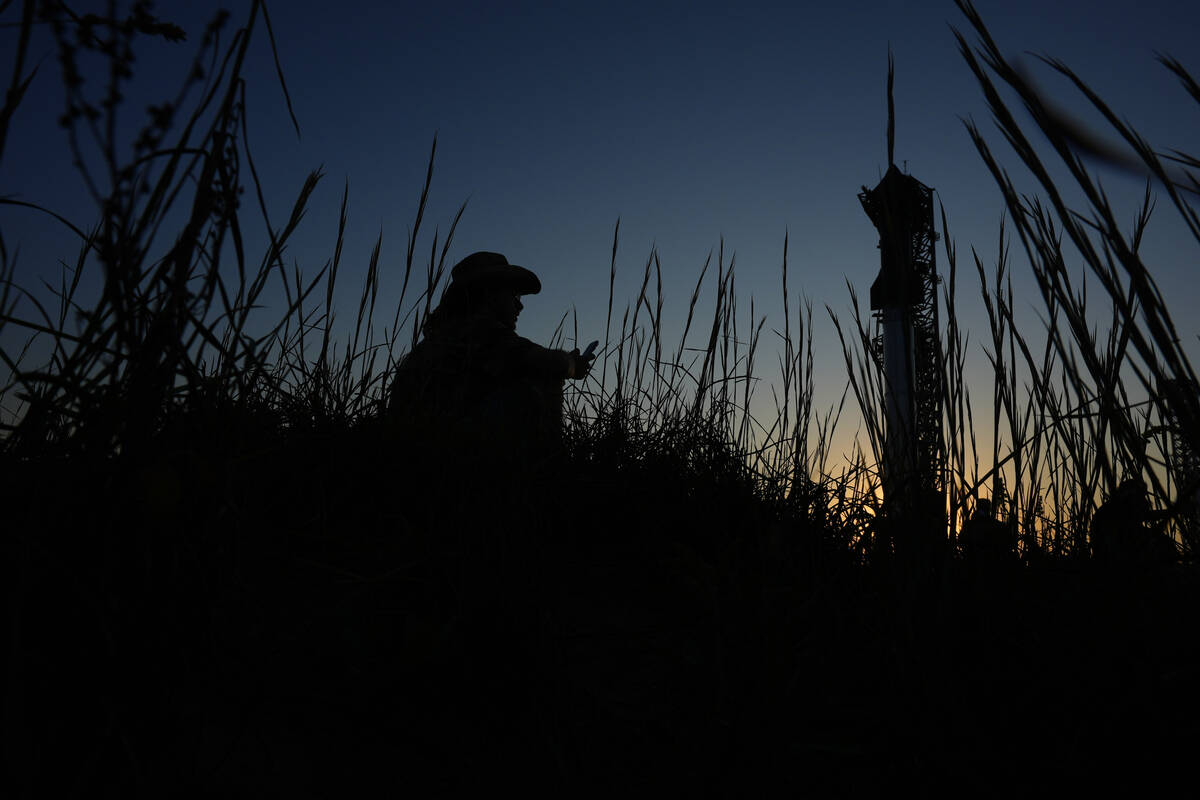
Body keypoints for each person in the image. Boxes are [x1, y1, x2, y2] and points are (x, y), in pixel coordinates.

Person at [386, 251, 595, 461]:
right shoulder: (480, 331)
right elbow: (550, 363)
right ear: (489, 294)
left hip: (409, 452)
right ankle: (551, 474)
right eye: (514, 295)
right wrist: (573, 364)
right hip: (441, 456)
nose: (520, 305)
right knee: (538, 384)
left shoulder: (440, 336)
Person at [1090, 478, 1178, 567]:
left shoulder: (1116, 507)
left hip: (1117, 554)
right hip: (1116, 558)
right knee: (1164, 543)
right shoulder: (1116, 509)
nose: (1143, 498)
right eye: (1141, 495)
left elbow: (1147, 515)